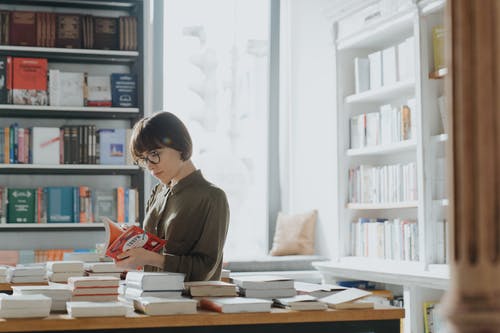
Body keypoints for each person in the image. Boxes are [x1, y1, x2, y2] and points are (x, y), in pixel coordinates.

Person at [115, 111, 230, 281]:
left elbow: (205, 269)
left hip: (189, 303)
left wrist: (149, 258)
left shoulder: (212, 197)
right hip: (150, 297)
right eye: (144, 159)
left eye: (154, 154)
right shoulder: (158, 193)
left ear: (180, 146)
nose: (150, 166)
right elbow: (150, 256)